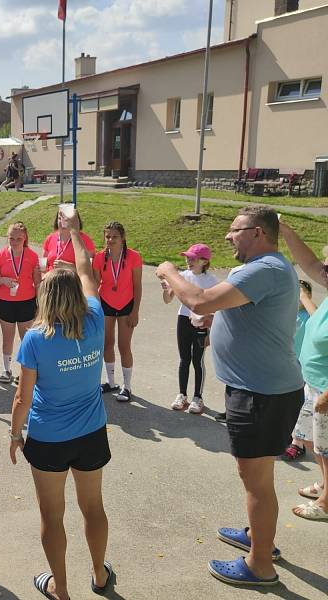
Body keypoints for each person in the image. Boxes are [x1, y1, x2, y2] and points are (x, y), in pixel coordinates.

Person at [156, 206, 304, 587]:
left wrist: (171, 271)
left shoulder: (265, 267)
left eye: (234, 230)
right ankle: (259, 537)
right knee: (258, 477)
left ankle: (260, 565)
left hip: (261, 393)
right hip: (262, 389)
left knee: (255, 479)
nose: (227, 237)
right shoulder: (267, 268)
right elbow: (233, 309)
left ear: (257, 232)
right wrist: (219, 317)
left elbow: (200, 301)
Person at [10, 208, 113, 600]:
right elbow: (86, 270)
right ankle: (100, 574)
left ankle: (62, 588)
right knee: (93, 508)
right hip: (91, 432)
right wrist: (73, 233)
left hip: (49, 436)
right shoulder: (96, 319)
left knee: (52, 516)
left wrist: (14, 433)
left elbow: (22, 396)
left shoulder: (36, 338)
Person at [278, 220, 328, 521]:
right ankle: (325, 484)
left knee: (326, 446)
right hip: (315, 382)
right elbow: (307, 260)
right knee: (318, 445)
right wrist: (284, 229)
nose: (323, 270)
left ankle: (326, 503)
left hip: (326, 389)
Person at [163, 244, 219, 415]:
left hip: (202, 321)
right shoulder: (181, 276)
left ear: (204, 261)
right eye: (187, 257)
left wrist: (210, 325)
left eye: (192, 258)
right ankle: (182, 395)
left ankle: (197, 397)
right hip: (183, 319)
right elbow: (167, 299)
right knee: (184, 359)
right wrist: (166, 290)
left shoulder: (212, 281)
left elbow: (217, 305)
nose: (188, 261)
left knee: (197, 360)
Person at [93, 222, 143, 402]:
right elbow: (94, 283)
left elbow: (137, 286)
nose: (110, 240)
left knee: (124, 346)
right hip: (105, 303)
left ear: (123, 238)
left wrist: (135, 311)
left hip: (126, 305)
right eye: (107, 236)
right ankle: (111, 381)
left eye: (114, 236)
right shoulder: (99, 258)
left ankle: (127, 386)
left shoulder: (134, 257)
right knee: (107, 343)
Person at [0, 222, 41, 383]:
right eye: (11, 238)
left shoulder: (32, 256)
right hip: (6, 302)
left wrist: (40, 304)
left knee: (26, 339)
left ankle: (25, 372)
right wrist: (3, 280)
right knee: (8, 338)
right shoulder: (0, 255)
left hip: (27, 302)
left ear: (25, 238)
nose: (15, 241)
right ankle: (6, 370)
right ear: (7, 237)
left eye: (19, 238)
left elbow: (38, 282)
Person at [280, 279, 317, 461]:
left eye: (301, 294)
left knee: (302, 404)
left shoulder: (310, 315)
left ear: (308, 296)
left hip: (304, 366)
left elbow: (317, 317)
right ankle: (288, 435)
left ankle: (298, 443)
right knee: (287, 401)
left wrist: (305, 298)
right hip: (286, 363)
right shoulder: (286, 313)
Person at [42, 205, 96, 273]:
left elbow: (89, 271)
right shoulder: (50, 238)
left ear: (75, 221)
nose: (62, 222)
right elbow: (44, 265)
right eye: (59, 218)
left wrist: (68, 266)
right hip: (52, 281)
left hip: (73, 282)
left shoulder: (85, 240)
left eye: (66, 219)